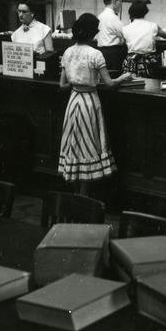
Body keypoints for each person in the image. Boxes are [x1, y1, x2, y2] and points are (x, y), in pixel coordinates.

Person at [59, 13, 131, 197]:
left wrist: (78, 82)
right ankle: (83, 199)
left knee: (74, 147)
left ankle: (76, 196)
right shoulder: (95, 54)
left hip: (73, 102)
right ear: (91, 34)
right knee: (88, 145)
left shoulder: (67, 52)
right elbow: (110, 84)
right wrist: (124, 77)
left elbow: (62, 85)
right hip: (89, 103)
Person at [121, 0, 166, 77]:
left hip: (131, 63)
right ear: (145, 12)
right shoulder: (153, 25)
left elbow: (123, 42)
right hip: (148, 62)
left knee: (131, 85)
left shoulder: (124, 29)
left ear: (131, 13)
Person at [96, 0, 126, 73]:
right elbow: (125, 34)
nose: (121, 4)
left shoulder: (100, 16)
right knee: (114, 76)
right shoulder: (113, 17)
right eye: (120, 1)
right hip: (113, 54)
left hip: (101, 51)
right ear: (114, 1)